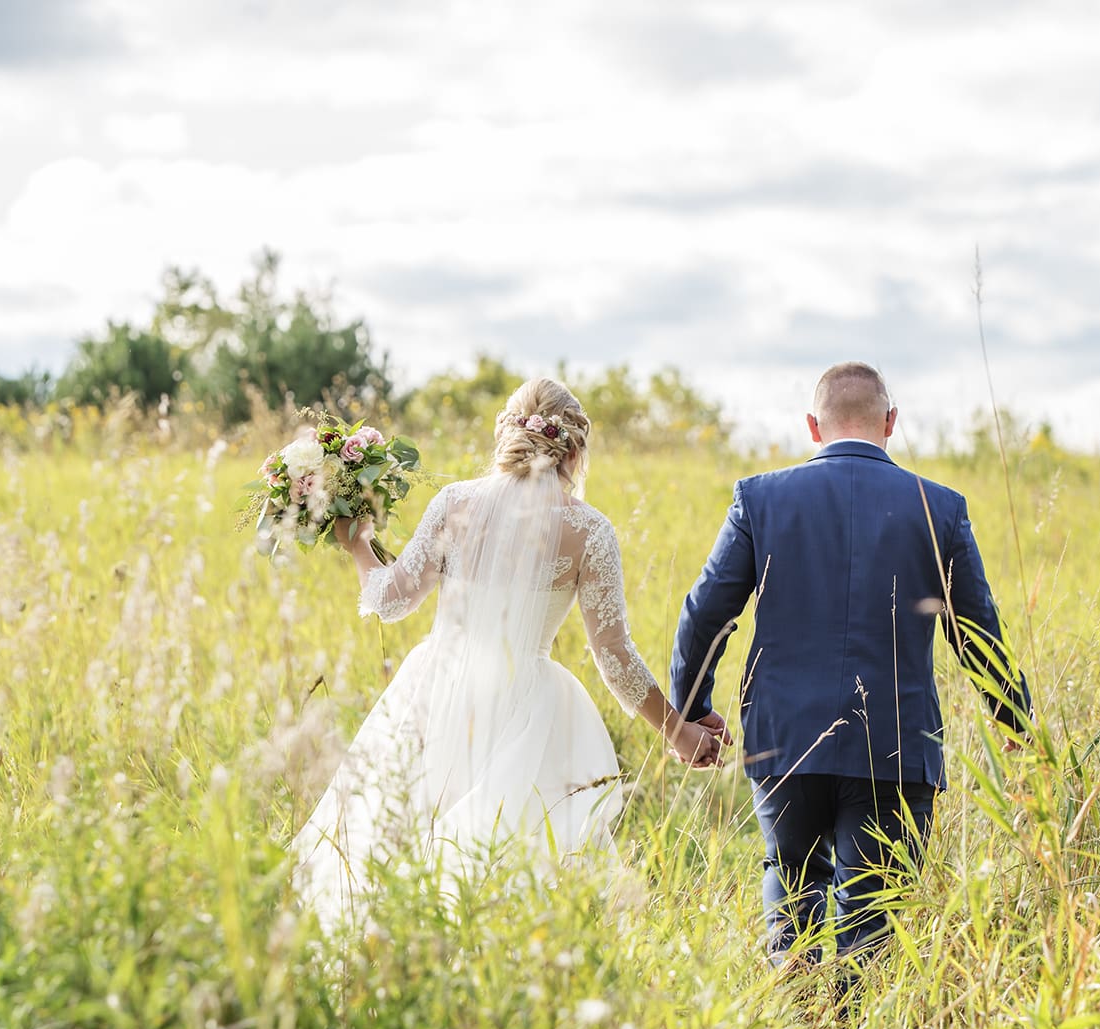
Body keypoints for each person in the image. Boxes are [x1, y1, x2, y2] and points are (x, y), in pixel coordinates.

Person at [293, 378, 718, 932]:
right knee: (507, 865)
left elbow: (391, 599)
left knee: (403, 838)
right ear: (575, 450)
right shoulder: (589, 531)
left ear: (505, 435)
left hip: (435, 690)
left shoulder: (455, 503)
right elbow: (612, 654)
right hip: (526, 707)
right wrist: (678, 731)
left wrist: (357, 542)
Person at [671, 361, 1030, 972]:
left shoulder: (760, 498)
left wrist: (692, 707)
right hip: (894, 743)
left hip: (786, 738)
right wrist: (1014, 720)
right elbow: (977, 631)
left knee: (792, 895)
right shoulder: (940, 508)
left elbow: (705, 612)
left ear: (814, 426)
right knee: (876, 920)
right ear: (891, 422)